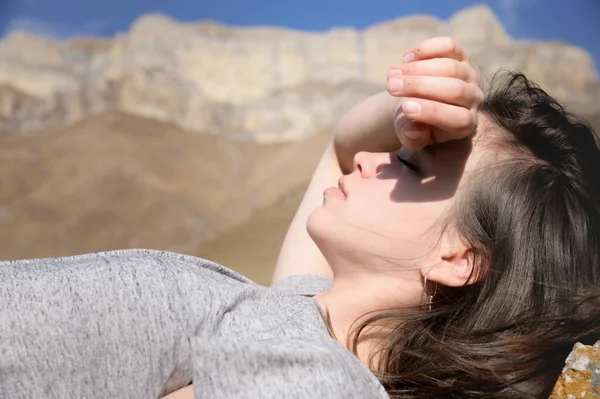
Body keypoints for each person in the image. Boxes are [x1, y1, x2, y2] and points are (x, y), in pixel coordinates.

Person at [0, 37, 598, 399]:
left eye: (410, 168)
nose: (368, 161)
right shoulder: (307, 307)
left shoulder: (314, 380)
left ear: (458, 257)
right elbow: (339, 147)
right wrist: (412, 105)